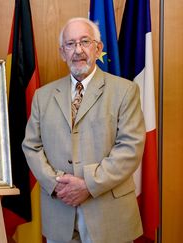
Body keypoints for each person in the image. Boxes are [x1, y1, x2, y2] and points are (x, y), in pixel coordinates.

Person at [22, 17, 146, 243]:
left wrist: (88, 184)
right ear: (62, 52)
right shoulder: (43, 96)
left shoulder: (125, 91)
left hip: (109, 214)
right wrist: (57, 184)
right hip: (60, 211)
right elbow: (31, 146)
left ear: (98, 48)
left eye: (84, 41)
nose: (77, 50)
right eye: (70, 44)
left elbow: (130, 149)